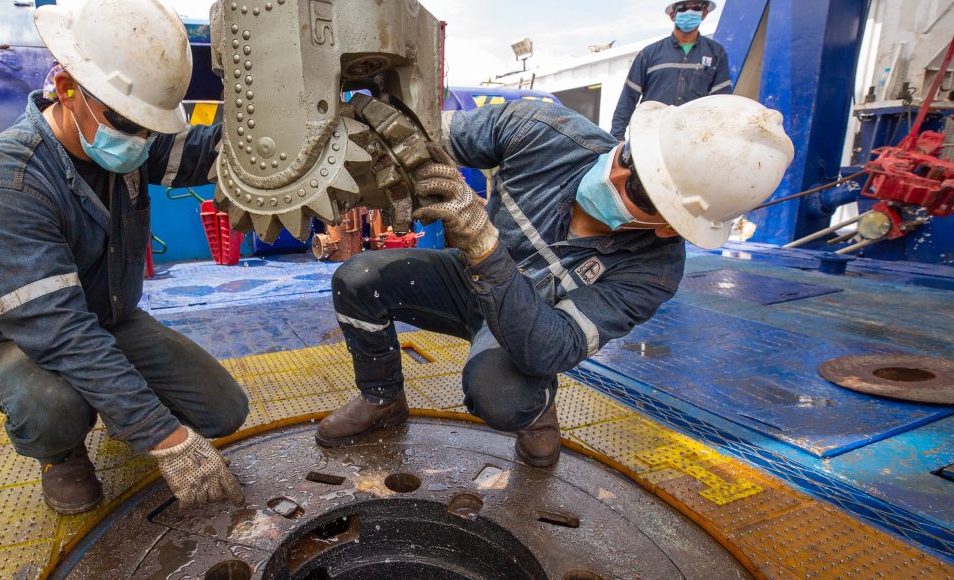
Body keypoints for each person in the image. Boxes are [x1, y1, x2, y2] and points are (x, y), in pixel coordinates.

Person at [316, 93, 792, 468]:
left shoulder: (653, 271)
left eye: (641, 188)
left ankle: (539, 405)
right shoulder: (543, 131)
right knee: (359, 279)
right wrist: (365, 129)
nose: (615, 173)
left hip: (529, 324)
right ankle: (383, 399)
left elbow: (550, 347)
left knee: (502, 397)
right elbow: (422, 137)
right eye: (628, 154)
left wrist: (485, 247)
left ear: (669, 225)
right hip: (465, 282)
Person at [0, 0, 247, 514]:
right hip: (32, 338)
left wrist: (280, 129)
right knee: (51, 407)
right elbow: (60, 332)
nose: (139, 140)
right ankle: (62, 454)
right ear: (66, 88)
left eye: (149, 127)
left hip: (112, 319)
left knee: (223, 411)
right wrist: (164, 437)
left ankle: (119, 408)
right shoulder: (4, 184)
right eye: (128, 124)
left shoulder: (122, 143)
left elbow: (203, 150)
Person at [610, 0, 732, 140]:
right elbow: (627, 99)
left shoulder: (716, 54)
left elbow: (721, 104)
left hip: (693, 140)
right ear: (672, 14)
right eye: (683, 8)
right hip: (650, 137)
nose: (690, 12)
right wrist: (616, 138)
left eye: (696, 7)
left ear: (704, 13)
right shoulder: (649, 54)